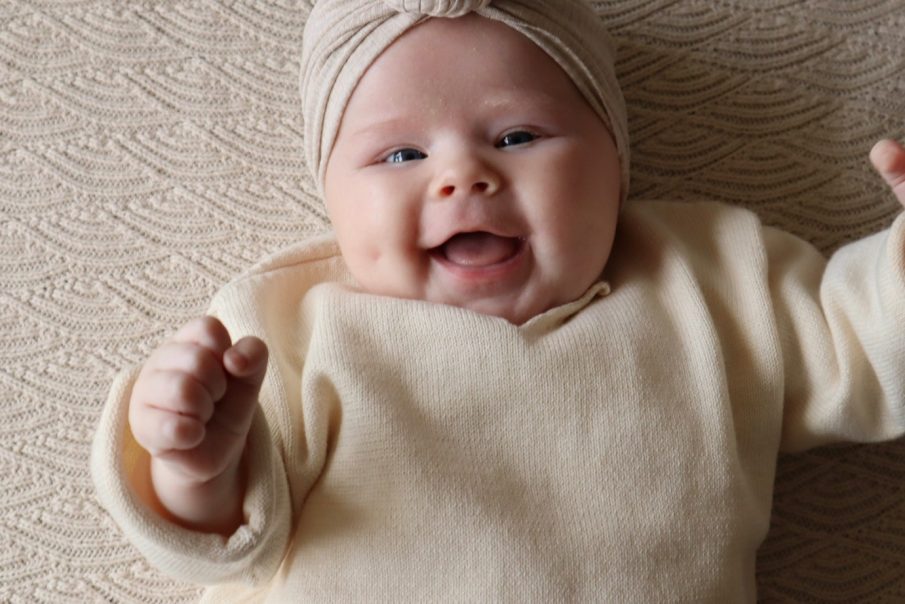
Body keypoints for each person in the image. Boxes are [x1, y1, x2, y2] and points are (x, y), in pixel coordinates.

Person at [91, 0, 905, 600]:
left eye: (516, 137)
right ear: (331, 198)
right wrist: (195, 464)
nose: (462, 175)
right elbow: (233, 541)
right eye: (400, 155)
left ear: (615, 164)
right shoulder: (289, 328)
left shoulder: (710, 280)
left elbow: (863, 345)